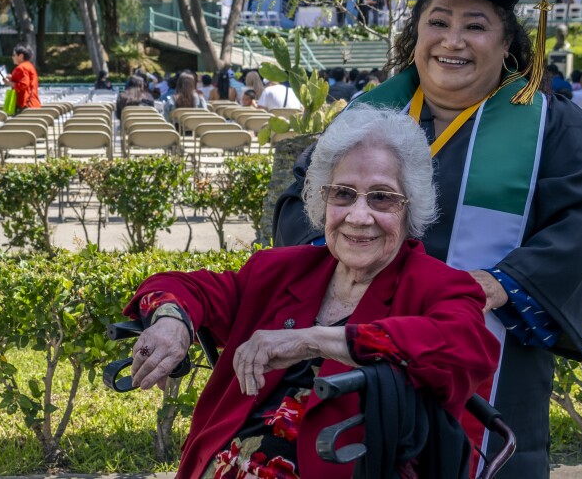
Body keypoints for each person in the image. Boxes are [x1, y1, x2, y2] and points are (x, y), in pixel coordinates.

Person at [271, 0, 582, 476]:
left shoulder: (552, 125)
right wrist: (337, 261)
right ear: (415, 35)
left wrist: (504, 283)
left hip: (482, 348)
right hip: (357, 347)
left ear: (508, 44)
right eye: (438, 22)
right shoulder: (367, 114)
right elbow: (300, 200)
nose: (452, 41)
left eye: (476, 26)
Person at [125, 105, 501, 478]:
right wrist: (172, 321)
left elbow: (466, 348)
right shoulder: (280, 270)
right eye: (343, 194)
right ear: (324, 202)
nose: (358, 216)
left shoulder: (440, 287)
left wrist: (313, 341)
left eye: (381, 197)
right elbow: (184, 287)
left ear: (410, 207)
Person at [8, 43, 41, 112]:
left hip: (25, 104)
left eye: (14, 55)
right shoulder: (29, 65)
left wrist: (9, 83)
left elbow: (23, 85)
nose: (12, 57)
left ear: (21, 56)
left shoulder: (21, 67)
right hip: (32, 103)